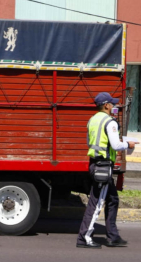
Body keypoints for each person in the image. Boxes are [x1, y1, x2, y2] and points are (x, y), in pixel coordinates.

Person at [76, 92, 137, 248]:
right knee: (96, 203)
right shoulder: (110, 122)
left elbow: (92, 142)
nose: (114, 106)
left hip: (95, 163)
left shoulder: (92, 120)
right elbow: (116, 145)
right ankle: (84, 238)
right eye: (112, 103)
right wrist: (128, 145)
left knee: (112, 199)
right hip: (103, 166)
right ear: (106, 105)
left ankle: (112, 236)